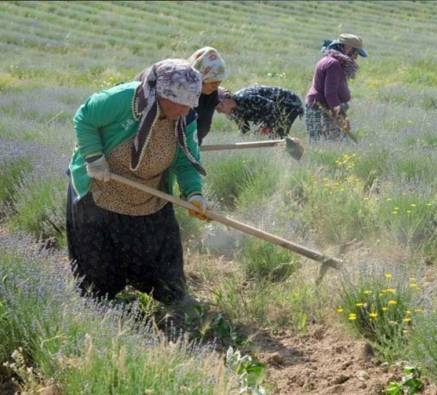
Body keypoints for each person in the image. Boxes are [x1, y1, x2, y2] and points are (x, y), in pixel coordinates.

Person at [66, 59, 207, 332]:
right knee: (99, 258)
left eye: (190, 103)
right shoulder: (122, 99)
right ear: (159, 93)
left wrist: (194, 193)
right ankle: (100, 311)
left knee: (160, 251)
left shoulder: (185, 117)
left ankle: (174, 303)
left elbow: (186, 160)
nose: (184, 109)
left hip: (148, 193)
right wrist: (94, 157)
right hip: (102, 185)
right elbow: (84, 117)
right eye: (177, 102)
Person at [304, 33, 367, 142]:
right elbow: (330, 92)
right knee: (324, 142)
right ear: (348, 48)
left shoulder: (330, 60)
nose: (356, 57)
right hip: (320, 108)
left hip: (323, 106)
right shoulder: (333, 64)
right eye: (356, 52)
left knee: (324, 141)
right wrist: (337, 111)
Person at [215, 85, 304, 138]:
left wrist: (266, 125)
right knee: (271, 136)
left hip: (289, 103)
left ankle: (294, 159)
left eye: (218, 108)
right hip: (276, 108)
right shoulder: (235, 112)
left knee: (277, 136)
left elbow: (272, 107)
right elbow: (245, 130)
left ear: (226, 100)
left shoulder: (245, 98)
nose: (219, 112)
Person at [187, 47, 228, 145]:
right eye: (213, 82)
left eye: (219, 82)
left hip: (195, 142)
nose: (216, 86)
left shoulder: (211, 94)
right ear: (200, 78)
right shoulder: (183, 92)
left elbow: (204, 123)